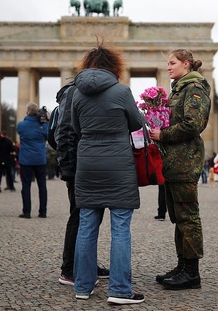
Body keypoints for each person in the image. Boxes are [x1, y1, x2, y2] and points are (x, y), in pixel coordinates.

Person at [71, 44, 145, 305]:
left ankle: (82, 285)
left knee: (87, 226)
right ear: (115, 66)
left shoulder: (77, 94)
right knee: (120, 228)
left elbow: (76, 127)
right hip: (118, 164)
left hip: (88, 162)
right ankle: (120, 290)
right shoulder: (122, 91)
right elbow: (137, 123)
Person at [149, 49, 211, 291]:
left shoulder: (195, 87)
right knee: (178, 217)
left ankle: (192, 272)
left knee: (188, 217)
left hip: (185, 161)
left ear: (186, 64)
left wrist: (162, 134)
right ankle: (182, 265)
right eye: (167, 63)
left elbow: (193, 124)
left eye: (172, 63)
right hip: (174, 162)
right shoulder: (179, 88)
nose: (168, 67)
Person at [53, 80, 110, 287]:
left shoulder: (85, 91)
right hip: (77, 165)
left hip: (88, 163)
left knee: (91, 217)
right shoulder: (73, 92)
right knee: (78, 216)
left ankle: (86, 264)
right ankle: (68, 270)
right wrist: (68, 167)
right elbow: (65, 132)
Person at [16, 102, 49, 219]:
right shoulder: (43, 125)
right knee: (42, 186)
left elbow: (20, 131)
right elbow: (48, 135)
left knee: (26, 186)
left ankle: (26, 211)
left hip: (26, 159)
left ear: (27, 112)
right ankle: (43, 211)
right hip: (40, 159)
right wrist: (46, 120)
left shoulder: (21, 125)